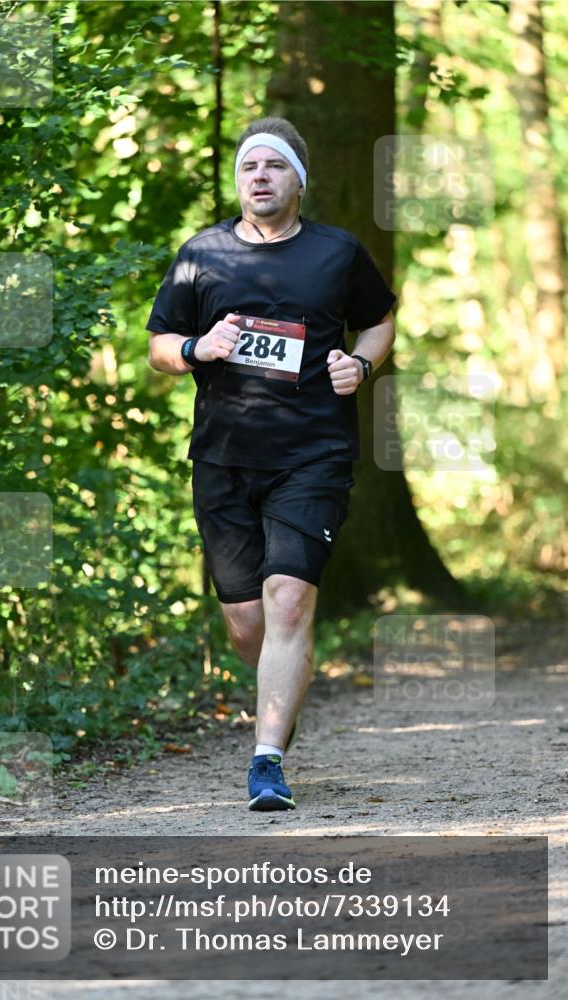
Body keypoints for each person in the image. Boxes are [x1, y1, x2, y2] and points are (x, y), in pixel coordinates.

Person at [146, 117, 396, 811]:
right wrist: (200, 348)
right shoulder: (203, 254)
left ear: (297, 179)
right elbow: (160, 345)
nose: (259, 175)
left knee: (289, 597)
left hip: (312, 453)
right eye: (248, 166)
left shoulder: (336, 254)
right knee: (246, 623)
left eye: (273, 166)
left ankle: (266, 759)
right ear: (237, 180)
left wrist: (361, 363)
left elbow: (379, 318)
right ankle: (280, 698)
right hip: (223, 457)